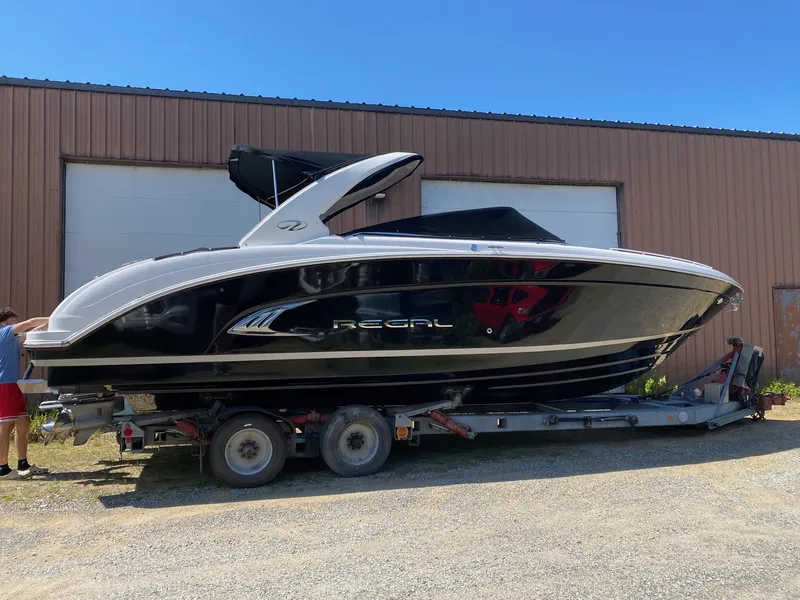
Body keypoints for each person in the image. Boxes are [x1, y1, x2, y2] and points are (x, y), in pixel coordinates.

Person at [0, 307, 50, 480]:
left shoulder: (11, 338)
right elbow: (29, 324)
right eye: (14, 322)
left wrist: (43, 327)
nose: (18, 325)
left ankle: (23, 463)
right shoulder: (4, 333)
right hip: (4, 386)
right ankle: (3, 468)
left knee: (24, 422)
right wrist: (56, 319)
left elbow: (31, 331)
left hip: (13, 385)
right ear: (4, 324)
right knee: (6, 426)